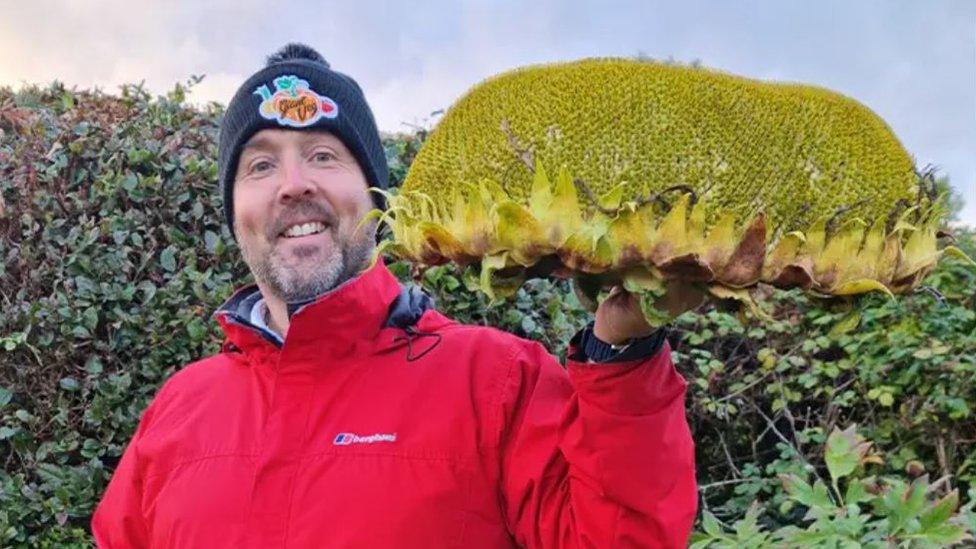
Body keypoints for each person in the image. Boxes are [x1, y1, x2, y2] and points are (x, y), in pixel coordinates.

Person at [91, 43, 698, 548]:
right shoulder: (179, 406)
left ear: (376, 198)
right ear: (234, 211)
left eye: (323, 155)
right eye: (259, 165)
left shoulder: (496, 381)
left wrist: (623, 354)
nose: (293, 185)